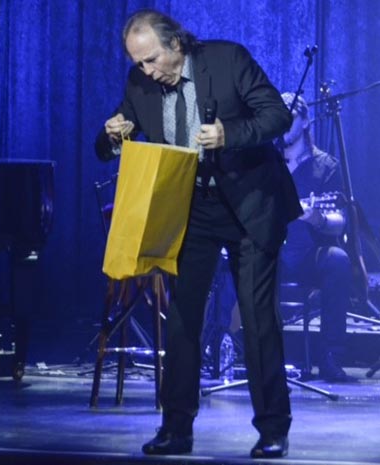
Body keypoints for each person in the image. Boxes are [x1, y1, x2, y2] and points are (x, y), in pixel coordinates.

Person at [95, 9, 301, 459]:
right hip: (191, 210)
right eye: (137, 63)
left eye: (150, 60)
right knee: (184, 319)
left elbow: (277, 117)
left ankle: (272, 429)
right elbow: (105, 145)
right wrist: (113, 135)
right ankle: (176, 428)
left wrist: (231, 134)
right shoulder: (139, 84)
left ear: (176, 45)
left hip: (250, 204)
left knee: (256, 315)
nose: (146, 71)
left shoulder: (227, 60)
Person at [279, 92, 356, 383]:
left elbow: (339, 221)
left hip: (306, 254)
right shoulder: (265, 162)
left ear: (305, 121)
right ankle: (241, 351)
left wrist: (317, 217)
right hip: (270, 251)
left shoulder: (326, 165)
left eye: (289, 117)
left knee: (337, 260)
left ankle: (331, 358)